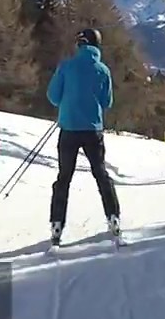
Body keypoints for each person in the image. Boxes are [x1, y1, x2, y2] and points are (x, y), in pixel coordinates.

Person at [46, 27, 122, 246]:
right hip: (92, 130)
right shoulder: (102, 70)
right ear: (97, 45)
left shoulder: (66, 66)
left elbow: (52, 96)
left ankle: (57, 224)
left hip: (68, 129)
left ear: (79, 44)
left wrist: (68, 102)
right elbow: (107, 102)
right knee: (100, 174)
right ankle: (113, 218)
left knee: (64, 178)